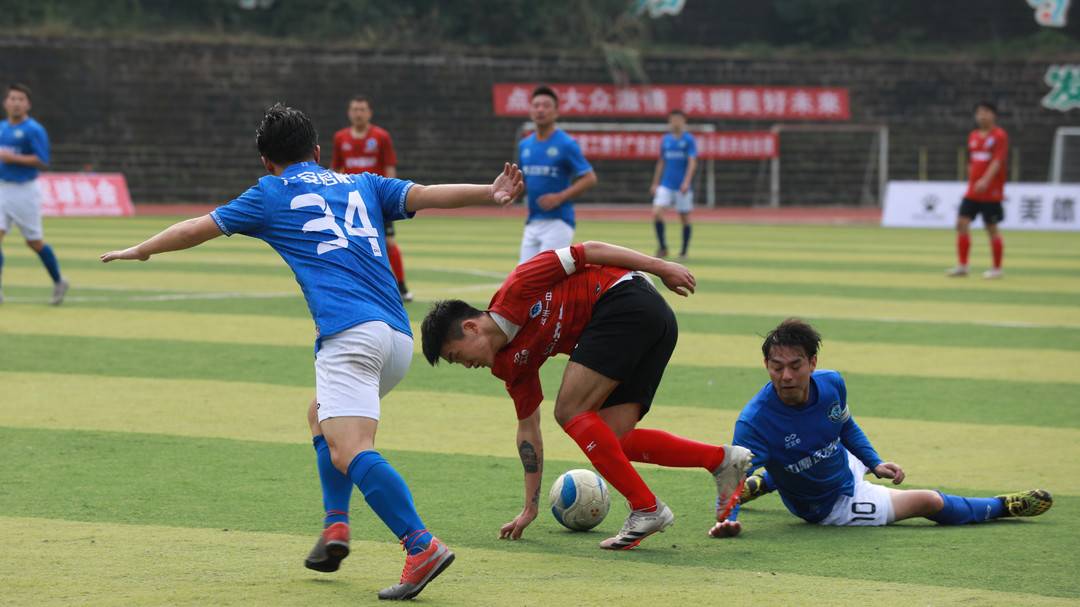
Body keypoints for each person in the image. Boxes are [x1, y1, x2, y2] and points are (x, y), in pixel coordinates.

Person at [101, 103, 524, 600]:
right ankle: (336, 526)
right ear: (319, 152)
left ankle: (420, 544)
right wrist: (490, 191)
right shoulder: (361, 183)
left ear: (265, 161)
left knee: (350, 448)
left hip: (349, 337)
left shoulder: (269, 193)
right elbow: (426, 194)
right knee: (320, 413)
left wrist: (143, 249)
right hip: (396, 338)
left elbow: (198, 226)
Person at [420, 241, 752, 550]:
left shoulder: (520, 284)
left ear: (471, 328)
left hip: (626, 299)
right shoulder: (508, 365)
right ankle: (720, 461)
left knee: (569, 409)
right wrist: (529, 509)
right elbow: (528, 431)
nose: (464, 365)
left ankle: (646, 507)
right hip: (646, 324)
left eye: (456, 355)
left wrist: (659, 266)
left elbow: (590, 250)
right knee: (612, 438)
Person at [709, 318, 1052, 539]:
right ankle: (1003, 506)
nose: (786, 376)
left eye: (796, 366)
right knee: (928, 501)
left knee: (810, 454)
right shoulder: (754, 422)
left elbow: (844, 427)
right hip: (830, 505)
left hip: (839, 461)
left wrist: (874, 462)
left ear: (813, 363)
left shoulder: (832, 384)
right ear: (766, 365)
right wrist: (727, 519)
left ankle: (768, 479)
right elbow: (730, 477)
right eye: (776, 367)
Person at [331, 94, 412, 301]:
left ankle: (401, 286)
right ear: (349, 113)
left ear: (369, 113)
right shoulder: (340, 138)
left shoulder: (381, 137)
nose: (358, 113)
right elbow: (336, 169)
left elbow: (389, 168)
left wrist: (390, 196)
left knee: (389, 242)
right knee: (348, 242)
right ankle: (354, 286)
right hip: (351, 201)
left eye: (362, 109)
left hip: (377, 199)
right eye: (355, 109)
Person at [0, 83, 67, 305]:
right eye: (12, 98)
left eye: (20, 99)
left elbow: (43, 161)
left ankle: (59, 281)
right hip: (2, 188)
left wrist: (12, 157)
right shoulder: (1, 128)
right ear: (5, 102)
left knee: (34, 243)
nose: (16, 103)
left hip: (24, 191)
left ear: (27, 104)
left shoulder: (34, 129)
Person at [517, 86, 597, 263]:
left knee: (544, 276)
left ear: (556, 112)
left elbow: (590, 177)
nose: (540, 110)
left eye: (546, 105)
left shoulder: (566, 144)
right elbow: (522, 180)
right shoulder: (525, 145)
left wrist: (559, 197)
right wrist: (511, 191)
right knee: (522, 280)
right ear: (530, 110)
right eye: (536, 105)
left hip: (558, 222)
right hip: (532, 221)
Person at [947, 102, 1008, 280]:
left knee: (991, 228)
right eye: (979, 113)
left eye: (986, 112)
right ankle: (963, 266)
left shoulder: (999, 136)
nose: (982, 116)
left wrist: (985, 180)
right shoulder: (973, 136)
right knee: (961, 223)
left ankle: (997, 269)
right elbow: (971, 161)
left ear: (993, 115)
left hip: (991, 191)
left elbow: (997, 161)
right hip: (973, 191)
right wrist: (971, 178)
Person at [649, 109, 697, 260]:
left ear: (684, 121)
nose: (675, 122)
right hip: (666, 184)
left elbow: (692, 162)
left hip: (681, 186)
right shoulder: (666, 140)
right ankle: (663, 248)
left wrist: (686, 182)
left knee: (684, 217)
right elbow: (661, 162)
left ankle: (684, 251)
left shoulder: (688, 140)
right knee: (656, 212)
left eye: (678, 119)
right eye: (672, 119)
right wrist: (655, 182)